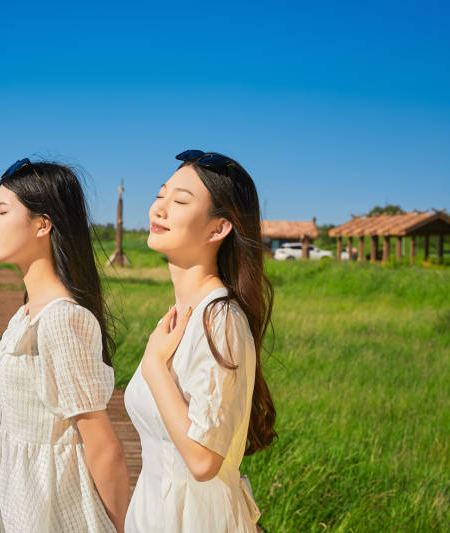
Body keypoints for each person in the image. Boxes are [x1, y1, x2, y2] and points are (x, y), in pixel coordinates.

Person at [124, 150, 277, 532]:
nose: (158, 209)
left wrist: (154, 367)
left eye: (179, 201)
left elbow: (203, 460)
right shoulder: (184, 315)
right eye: (161, 195)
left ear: (217, 229)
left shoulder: (220, 320)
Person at [0, 158, 129, 533]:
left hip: (53, 510)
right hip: (18, 499)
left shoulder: (63, 318)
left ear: (43, 224)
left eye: (2, 210)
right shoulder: (26, 313)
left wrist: (124, 528)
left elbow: (102, 445)